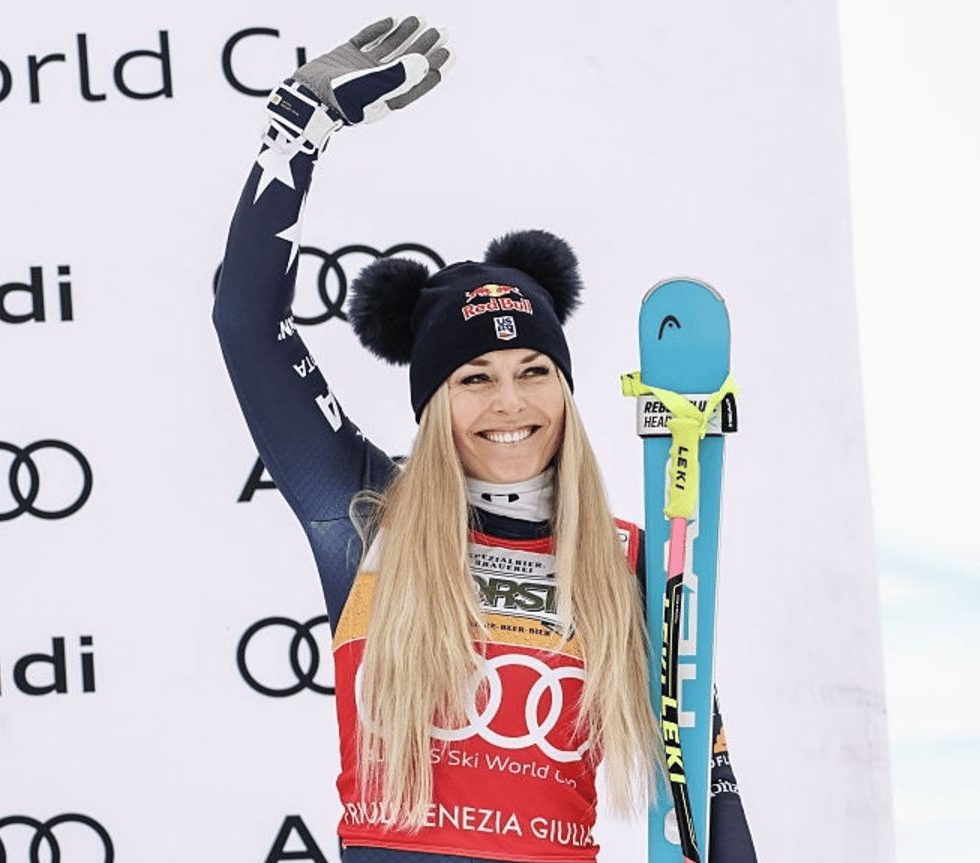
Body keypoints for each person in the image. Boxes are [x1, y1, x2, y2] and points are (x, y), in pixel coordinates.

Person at [212, 17, 755, 863]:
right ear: (433, 405)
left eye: (535, 369)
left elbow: (705, 794)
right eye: (474, 378)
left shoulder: (630, 561)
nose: (511, 401)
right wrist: (299, 126)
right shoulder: (362, 518)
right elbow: (245, 320)